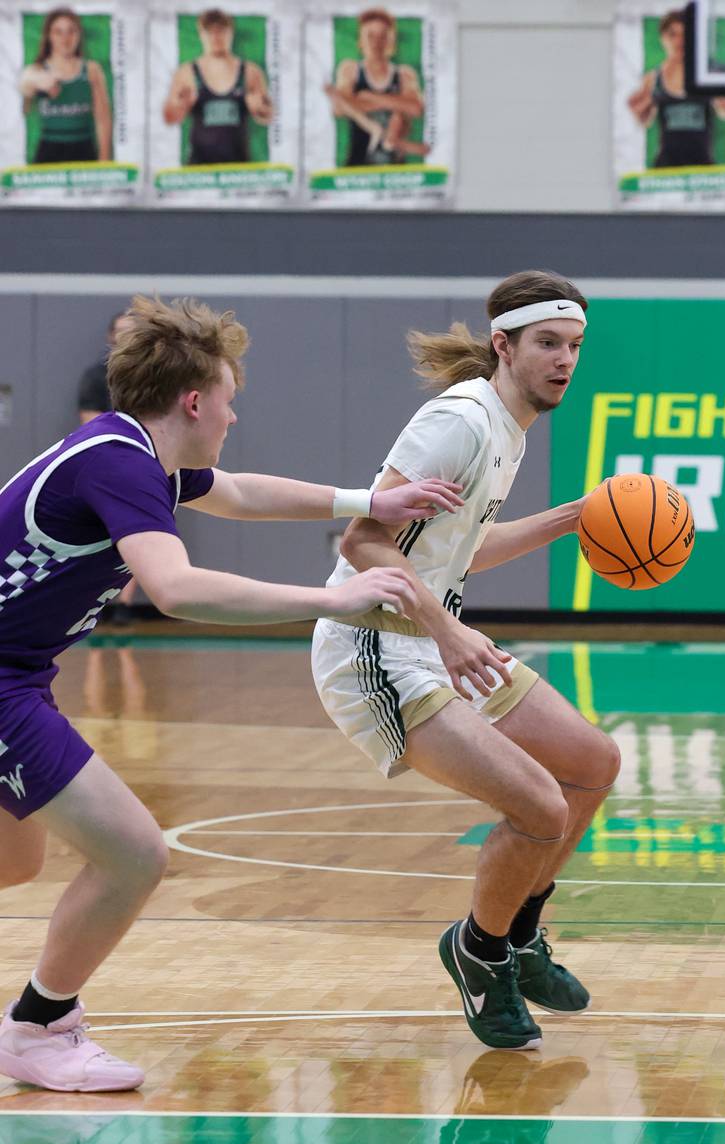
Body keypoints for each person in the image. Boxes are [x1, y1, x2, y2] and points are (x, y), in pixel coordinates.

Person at [0, 294, 462, 1093]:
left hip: (19, 675)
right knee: (133, 853)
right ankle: (42, 1027)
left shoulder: (129, 452)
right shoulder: (119, 462)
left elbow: (240, 492)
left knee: (15, 859)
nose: (232, 417)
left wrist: (369, 503)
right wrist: (333, 598)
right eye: (229, 399)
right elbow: (174, 588)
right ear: (194, 400)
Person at [311, 269, 621, 1052]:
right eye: (548, 343)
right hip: (375, 648)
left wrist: (576, 516)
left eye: (575, 346)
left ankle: (517, 935)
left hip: (433, 637)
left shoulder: (507, 426)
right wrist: (447, 636)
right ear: (503, 344)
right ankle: (479, 954)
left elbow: (461, 549)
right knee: (542, 806)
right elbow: (362, 540)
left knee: (593, 760)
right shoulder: (456, 422)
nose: (564, 360)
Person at [76, 312, 137, 624]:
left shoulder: (151, 377)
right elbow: (90, 422)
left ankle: (124, 606)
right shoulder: (95, 377)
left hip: (140, 468)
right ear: (110, 336)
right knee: (100, 538)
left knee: (137, 533)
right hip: (109, 466)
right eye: (121, 331)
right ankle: (95, 606)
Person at [627, 8, 725, 168]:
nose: (679, 41)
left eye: (685, 35)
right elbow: (643, 120)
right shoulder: (653, 78)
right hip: (665, 169)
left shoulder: (709, 75)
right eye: (672, 34)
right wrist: (638, 107)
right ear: (663, 38)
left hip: (703, 168)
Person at [162, 8, 272, 166]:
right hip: (199, 169)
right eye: (210, 32)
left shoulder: (251, 72)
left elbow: (267, 117)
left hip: (239, 168)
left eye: (221, 31)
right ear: (201, 34)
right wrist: (180, 106)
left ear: (231, 33)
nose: (216, 37)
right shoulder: (186, 73)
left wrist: (260, 108)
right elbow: (169, 118)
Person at [324, 7, 428, 167]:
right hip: (357, 162)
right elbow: (339, 108)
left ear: (390, 41)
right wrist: (397, 102)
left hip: (395, 167)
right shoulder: (350, 70)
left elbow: (416, 108)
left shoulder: (405, 74)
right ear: (360, 41)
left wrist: (369, 98)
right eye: (370, 36)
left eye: (382, 36)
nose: (376, 43)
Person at [17, 7, 112, 164]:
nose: (65, 38)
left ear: (79, 35)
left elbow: (103, 119)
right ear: (49, 36)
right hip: (49, 151)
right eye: (58, 32)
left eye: (71, 31)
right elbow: (25, 94)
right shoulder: (37, 70)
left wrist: (104, 160)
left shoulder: (91, 69)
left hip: (84, 149)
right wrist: (36, 82)